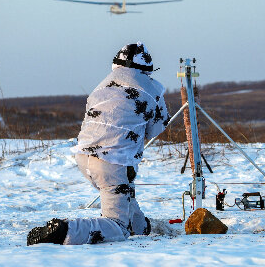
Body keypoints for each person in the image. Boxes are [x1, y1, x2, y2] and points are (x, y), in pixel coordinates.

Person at [27, 42, 169, 245]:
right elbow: (157, 128)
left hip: (84, 158)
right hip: (113, 164)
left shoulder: (102, 86)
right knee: (116, 225)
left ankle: (140, 226)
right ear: (147, 69)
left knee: (122, 191)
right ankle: (65, 231)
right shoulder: (152, 89)